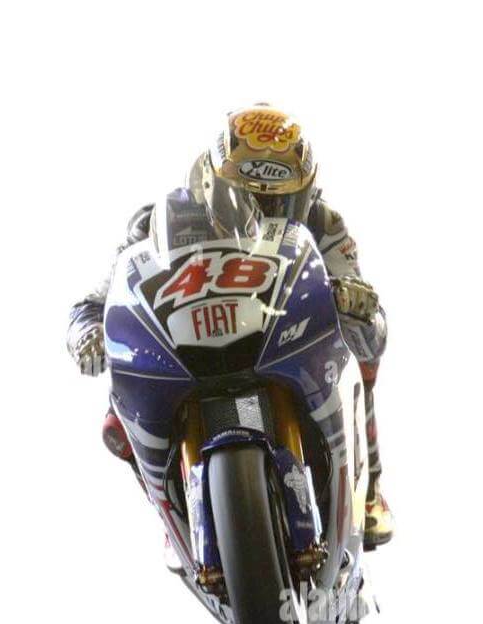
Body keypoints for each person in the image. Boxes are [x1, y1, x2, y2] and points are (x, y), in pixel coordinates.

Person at [66, 104, 393, 549]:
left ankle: (369, 488)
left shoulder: (324, 224)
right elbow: (99, 300)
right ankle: (174, 513)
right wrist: (87, 333)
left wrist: (357, 304)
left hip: (284, 339)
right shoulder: (156, 224)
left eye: (283, 202)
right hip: (187, 345)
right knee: (116, 421)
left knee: (362, 356)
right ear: (216, 185)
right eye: (251, 199)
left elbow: (370, 315)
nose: (268, 212)